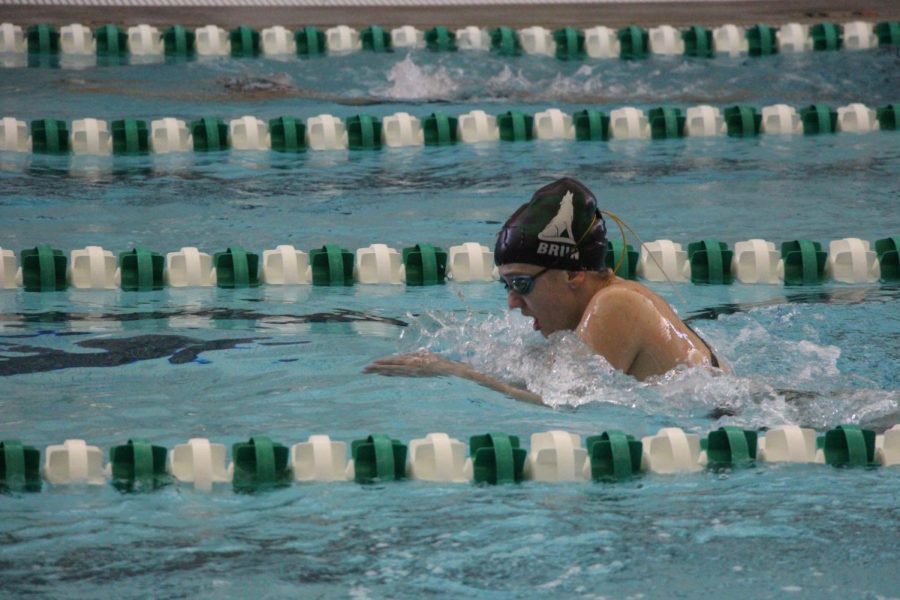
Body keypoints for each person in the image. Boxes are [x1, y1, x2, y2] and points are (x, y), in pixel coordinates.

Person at [365, 177, 723, 405]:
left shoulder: (616, 304)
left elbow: (560, 402)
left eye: (522, 284)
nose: (512, 303)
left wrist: (454, 370)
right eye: (506, 285)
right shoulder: (609, 303)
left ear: (572, 274)